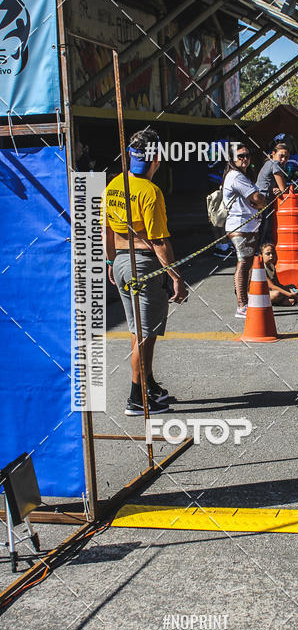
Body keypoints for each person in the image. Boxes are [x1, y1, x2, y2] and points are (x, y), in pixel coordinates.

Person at [102, 128, 188, 416]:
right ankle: (136, 398)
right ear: (157, 159)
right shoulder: (151, 192)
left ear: (130, 156)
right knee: (145, 334)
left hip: (122, 263)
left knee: (136, 330)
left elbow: (106, 232)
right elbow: (159, 242)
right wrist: (177, 278)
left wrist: (111, 263)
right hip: (144, 266)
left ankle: (147, 385)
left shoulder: (113, 185)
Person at [222, 143, 266, 318]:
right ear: (232, 159)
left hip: (247, 226)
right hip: (241, 226)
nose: (245, 159)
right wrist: (260, 201)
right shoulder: (236, 176)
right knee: (244, 264)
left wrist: (259, 201)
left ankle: (244, 301)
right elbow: (257, 198)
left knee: (246, 263)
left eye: (247, 155)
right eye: (240, 156)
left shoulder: (241, 175)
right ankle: (242, 305)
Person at [256, 137, 290, 245]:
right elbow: (284, 189)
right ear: (273, 154)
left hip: (258, 200)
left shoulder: (268, 163)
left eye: (286, 157)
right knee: (263, 232)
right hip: (263, 202)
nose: (283, 159)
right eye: (281, 156)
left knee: (259, 231)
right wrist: (283, 189)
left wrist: (275, 188)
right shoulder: (275, 164)